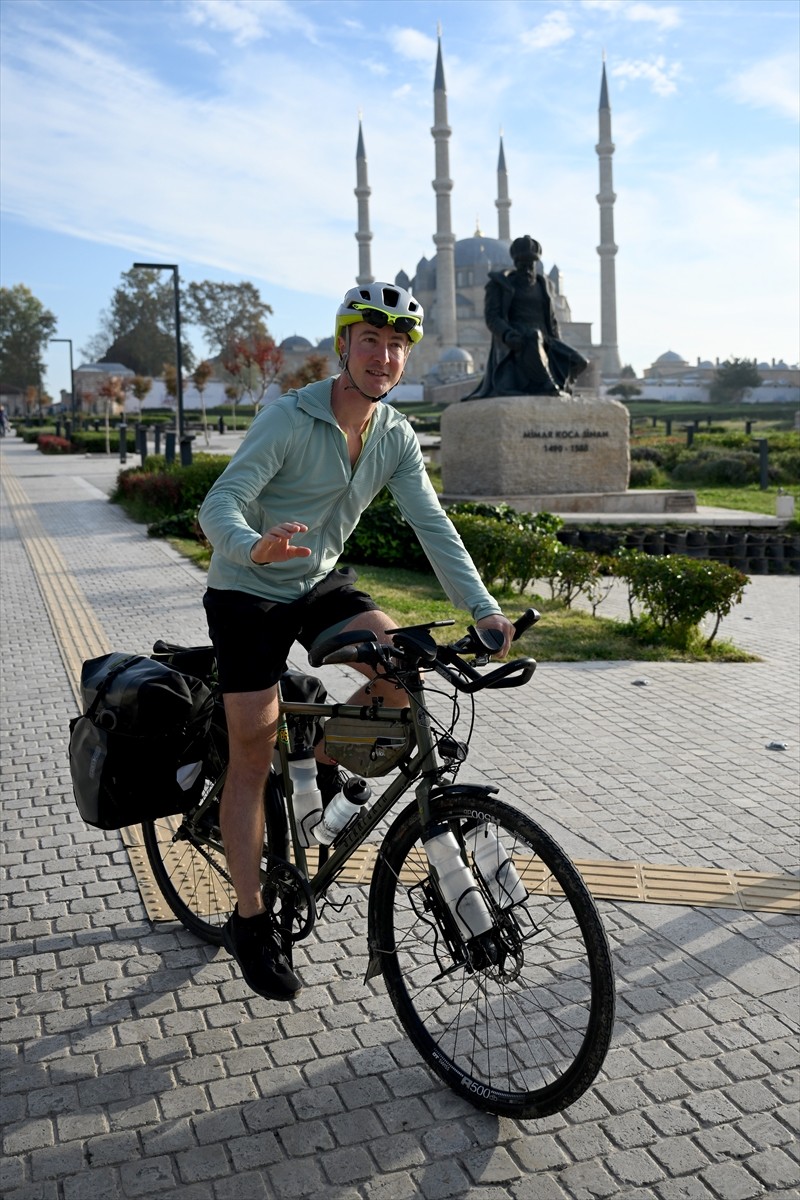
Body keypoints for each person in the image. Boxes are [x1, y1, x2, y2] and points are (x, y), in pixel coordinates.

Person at [198, 282, 515, 1002]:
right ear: (345, 345)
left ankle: (325, 769)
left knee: (403, 666)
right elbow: (217, 504)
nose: (385, 355)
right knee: (252, 747)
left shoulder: (395, 436)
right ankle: (251, 921)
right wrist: (254, 547)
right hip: (247, 590)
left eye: (399, 343)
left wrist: (483, 609)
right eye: (370, 339)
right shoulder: (290, 417)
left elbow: (433, 526)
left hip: (316, 584)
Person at [466, 234, 588, 399]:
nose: (527, 269)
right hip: (517, 335)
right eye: (523, 264)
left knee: (579, 361)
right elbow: (492, 317)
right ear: (516, 264)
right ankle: (547, 385)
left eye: (531, 264)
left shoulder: (542, 285)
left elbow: (551, 320)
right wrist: (507, 333)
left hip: (545, 338)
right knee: (533, 336)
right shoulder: (500, 284)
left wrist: (558, 344)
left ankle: (564, 387)